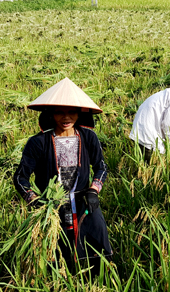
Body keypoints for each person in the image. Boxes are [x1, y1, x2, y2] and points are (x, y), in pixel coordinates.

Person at [13, 77, 112, 274]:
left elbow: (101, 167)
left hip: (84, 202)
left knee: (94, 248)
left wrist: (94, 189)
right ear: (50, 114)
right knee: (56, 254)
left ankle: (93, 283)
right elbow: (20, 178)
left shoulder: (88, 137)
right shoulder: (38, 142)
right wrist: (35, 200)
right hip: (52, 206)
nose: (66, 118)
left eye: (71, 112)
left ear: (80, 113)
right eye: (59, 112)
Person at [129, 75, 170, 162]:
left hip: (138, 133)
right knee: (154, 169)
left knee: (142, 165)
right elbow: (168, 123)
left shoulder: (166, 93)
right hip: (148, 138)